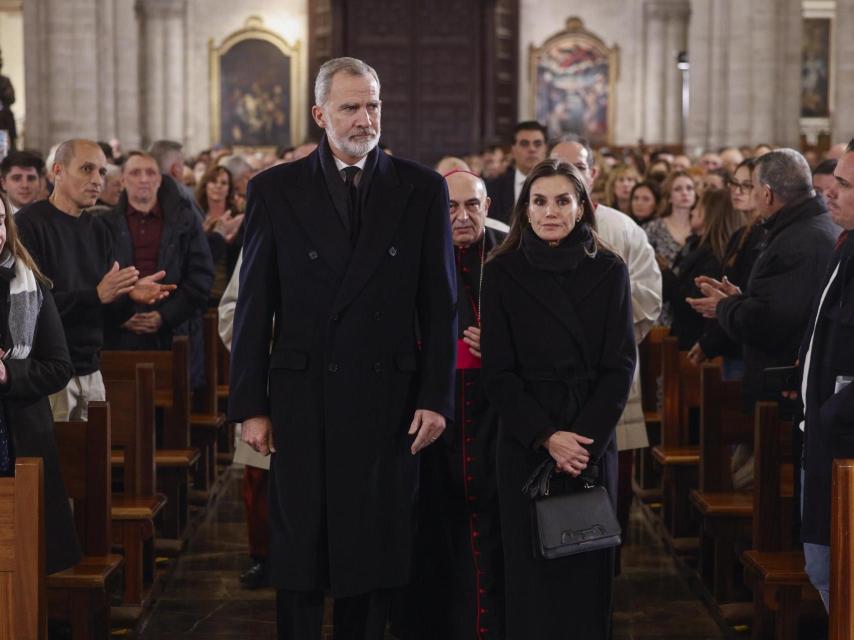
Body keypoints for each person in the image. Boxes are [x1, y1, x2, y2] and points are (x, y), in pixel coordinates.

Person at [228, 57, 457, 640]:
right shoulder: (274, 190)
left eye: (373, 105)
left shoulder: (423, 188)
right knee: (302, 550)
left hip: (391, 398)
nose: (364, 119)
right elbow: (256, 305)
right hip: (303, 396)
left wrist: (437, 396)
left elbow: (440, 305)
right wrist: (250, 404)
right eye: (351, 107)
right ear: (319, 114)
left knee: (373, 552)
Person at [481, 159, 635, 639]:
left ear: (582, 206)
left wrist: (579, 441)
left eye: (563, 200)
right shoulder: (502, 270)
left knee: (586, 573)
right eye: (540, 200)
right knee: (528, 575)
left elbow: (619, 366)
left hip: (589, 437)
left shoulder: (609, 269)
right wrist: (547, 436)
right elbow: (499, 370)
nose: (551, 211)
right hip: (528, 439)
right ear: (525, 209)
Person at [550, 137, 662, 570]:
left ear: (593, 175)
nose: (570, 173)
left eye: (578, 166)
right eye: (559, 165)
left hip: (611, 374)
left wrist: (600, 338)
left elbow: (649, 298)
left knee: (611, 473)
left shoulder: (621, 228)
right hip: (550, 382)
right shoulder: (535, 220)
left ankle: (608, 560)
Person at [16, 139, 174, 421]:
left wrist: (129, 297)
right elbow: (33, 307)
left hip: (91, 368)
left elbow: (107, 312)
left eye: (102, 172)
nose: (96, 180)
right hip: (47, 370)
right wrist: (96, 295)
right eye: (87, 169)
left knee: (95, 460)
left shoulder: (98, 229)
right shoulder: (29, 224)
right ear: (57, 171)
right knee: (55, 463)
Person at [688, 148, 838, 412]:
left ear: (767, 193)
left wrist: (724, 306)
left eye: (754, 190)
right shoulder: (813, 226)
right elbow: (782, 304)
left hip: (783, 394)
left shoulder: (797, 243)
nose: (754, 197)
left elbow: (767, 322)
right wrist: (740, 300)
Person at [0, 192, 81, 575]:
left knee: (21, 558)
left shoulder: (29, 285)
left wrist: (8, 374)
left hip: (19, 434)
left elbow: (58, 366)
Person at [796, 139, 854, 612]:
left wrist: (831, 415)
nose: (830, 192)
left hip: (846, 450)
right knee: (824, 572)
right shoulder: (845, 245)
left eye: (845, 184)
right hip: (825, 442)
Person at [101, 151, 213, 389]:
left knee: (174, 416)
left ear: (160, 180)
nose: (143, 179)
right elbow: (97, 279)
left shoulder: (184, 221)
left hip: (174, 331)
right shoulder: (104, 224)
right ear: (122, 180)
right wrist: (123, 315)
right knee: (121, 415)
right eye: (135, 172)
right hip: (119, 336)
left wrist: (164, 316)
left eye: (150, 172)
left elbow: (200, 277)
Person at [217, 249, 272, 589]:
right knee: (259, 473)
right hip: (266, 376)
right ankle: (264, 556)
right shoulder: (259, 237)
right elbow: (229, 311)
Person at [688, 159, 764, 380]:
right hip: (732, 340)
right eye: (734, 184)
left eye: (747, 185)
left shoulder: (765, 235)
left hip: (745, 345)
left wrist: (709, 344)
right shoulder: (742, 234)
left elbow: (751, 296)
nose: (737, 192)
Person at [664, 188, 746, 350]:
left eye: (698, 208)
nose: (692, 212)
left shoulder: (714, 255)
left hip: (700, 341)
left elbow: (693, 304)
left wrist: (665, 273)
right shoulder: (695, 246)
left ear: (710, 214)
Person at [645, 171, 697, 325]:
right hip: (661, 304)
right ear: (669, 196)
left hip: (691, 304)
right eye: (678, 189)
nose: (685, 193)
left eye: (689, 188)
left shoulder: (701, 229)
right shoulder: (653, 228)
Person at [196, 165, 244, 305]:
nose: (218, 186)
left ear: (229, 188)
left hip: (231, 289)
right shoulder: (196, 217)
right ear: (205, 185)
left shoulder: (239, 218)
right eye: (213, 181)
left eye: (223, 183)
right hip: (202, 289)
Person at [486, 121, 548, 224]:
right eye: (524, 144)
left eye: (537, 144)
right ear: (513, 150)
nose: (532, 149)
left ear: (545, 148)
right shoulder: (493, 188)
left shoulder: (557, 186)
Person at [0, 150, 44, 214]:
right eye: (16, 179)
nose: (25, 185)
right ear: (3, 183)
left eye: (31, 178)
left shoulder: (52, 216)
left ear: (40, 182)